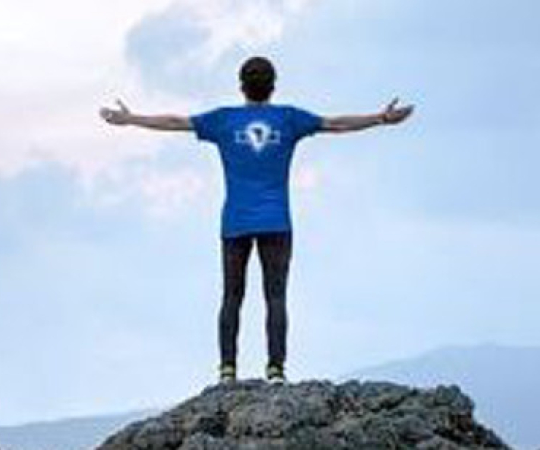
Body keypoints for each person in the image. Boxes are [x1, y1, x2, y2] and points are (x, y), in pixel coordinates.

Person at [100, 56, 414, 384]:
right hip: (276, 222)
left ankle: (227, 370)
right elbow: (336, 124)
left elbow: (175, 122)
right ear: (273, 86)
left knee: (231, 296)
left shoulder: (223, 120)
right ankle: (276, 369)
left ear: (241, 86)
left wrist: (131, 119)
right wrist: (380, 118)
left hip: (235, 222)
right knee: (275, 297)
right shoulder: (289, 119)